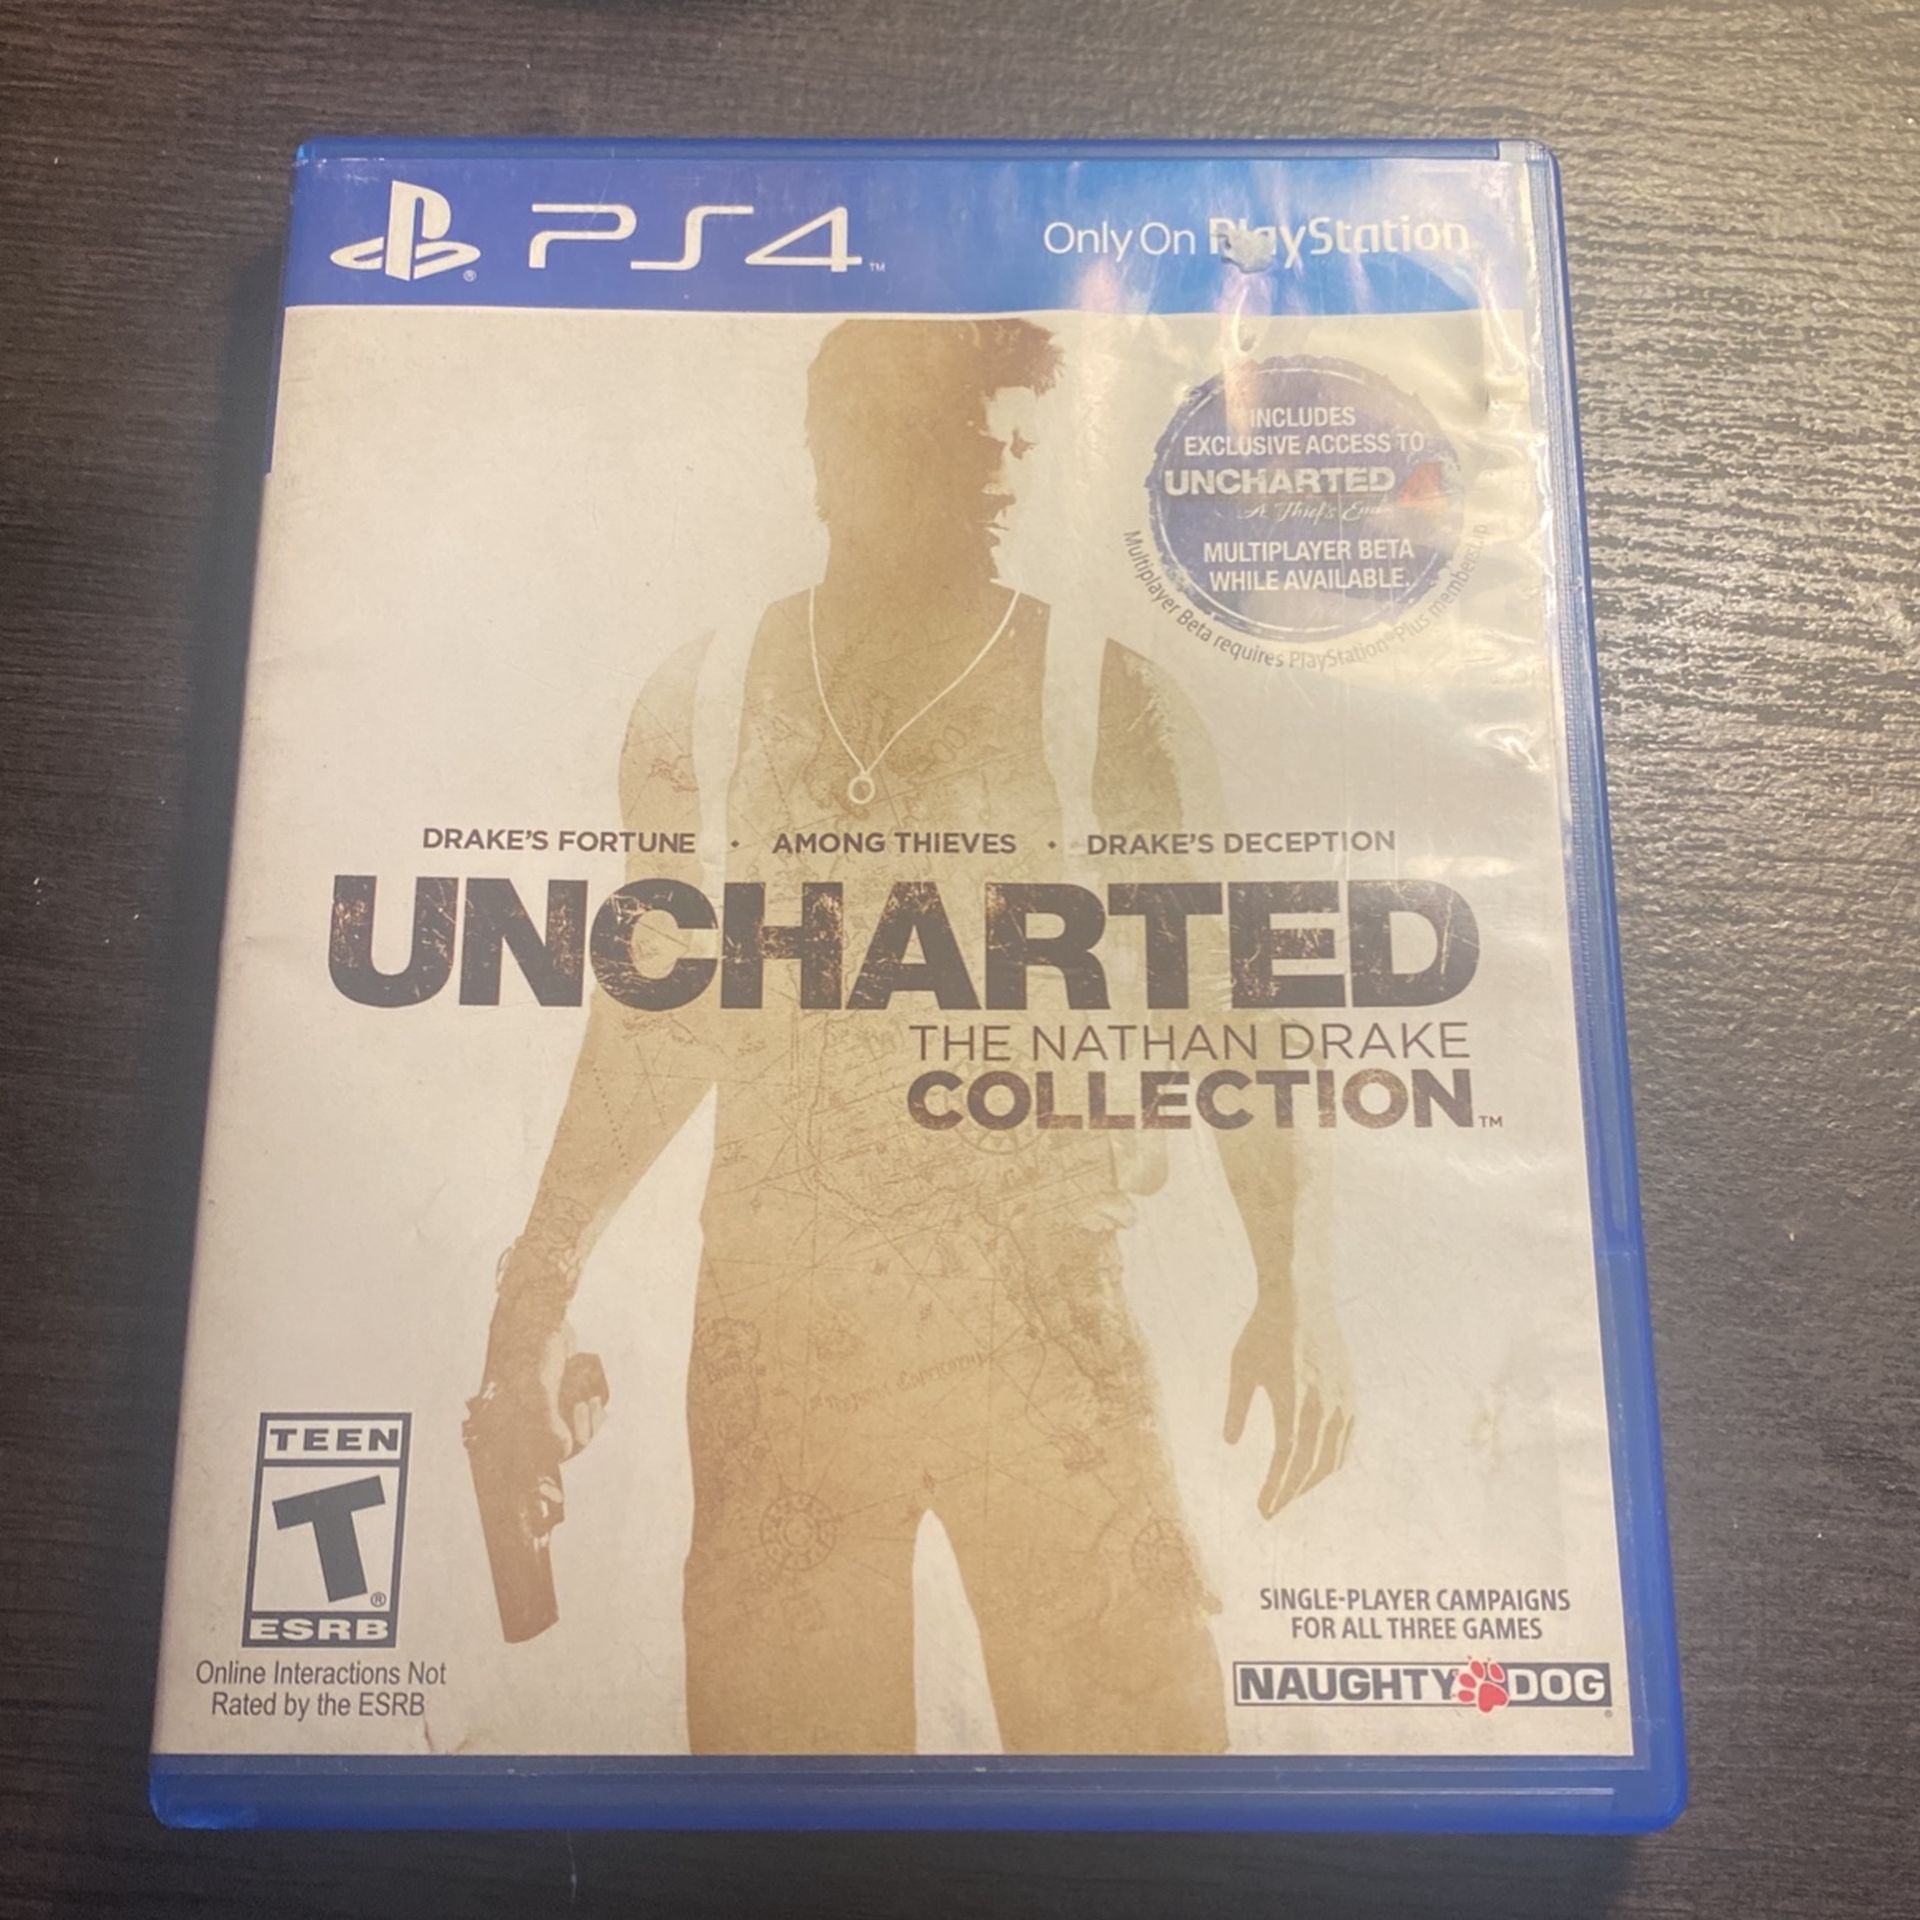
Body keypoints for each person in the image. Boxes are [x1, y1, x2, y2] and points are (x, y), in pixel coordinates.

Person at [476, 318, 1352, 1755]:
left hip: (1046, 1316)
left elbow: (1235, 1018)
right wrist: (533, 1304)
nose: (1001, 478)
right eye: (957, 442)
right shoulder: (704, 702)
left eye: (1019, 445)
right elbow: (651, 1028)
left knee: (1144, 1792)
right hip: (779, 1331)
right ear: (833, 453)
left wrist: (1295, 1284)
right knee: (786, 1813)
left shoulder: (1112, 703)